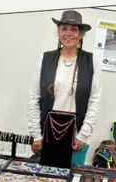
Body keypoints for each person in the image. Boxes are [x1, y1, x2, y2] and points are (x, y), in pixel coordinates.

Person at [27, 10, 103, 167]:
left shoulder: (91, 62)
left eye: (74, 29)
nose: (68, 33)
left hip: (76, 139)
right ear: (58, 33)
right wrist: (36, 134)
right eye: (64, 29)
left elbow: (94, 101)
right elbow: (34, 98)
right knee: (44, 178)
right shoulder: (45, 59)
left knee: (70, 177)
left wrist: (84, 135)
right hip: (46, 135)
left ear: (81, 35)